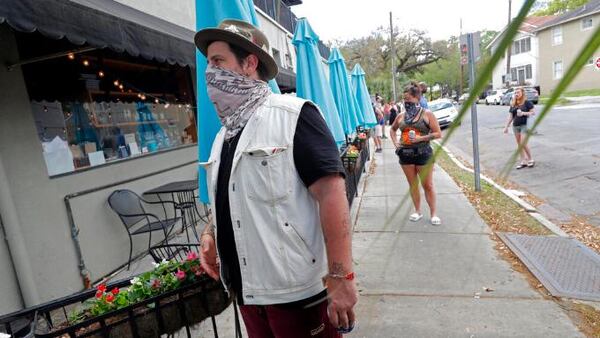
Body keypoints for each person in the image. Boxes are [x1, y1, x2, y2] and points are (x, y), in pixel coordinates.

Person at [194, 20, 357, 338]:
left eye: (218, 61)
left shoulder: (293, 116)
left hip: (295, 295)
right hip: (247, 291)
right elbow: (232, 196)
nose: (209, 73)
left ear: (249, 63)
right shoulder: (224, 135)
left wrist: (341, 276)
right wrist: (211, 233)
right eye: (208, 64)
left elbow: (332, 193)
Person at [390, 83, 442, 225]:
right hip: (405, 154)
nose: (406, 103)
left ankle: (433, 214)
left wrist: (421, 138)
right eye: (404, 101)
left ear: (417, 99)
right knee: (413, 185)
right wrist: (396, 144)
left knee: (428, 185)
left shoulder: (427, 114)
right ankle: (417, 211)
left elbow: (438, 134)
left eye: (409, 100)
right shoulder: (401, 116)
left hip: (423, 153)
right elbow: (392, 130)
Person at [503, 87, 535, 169]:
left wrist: (523, 113)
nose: (517, 94)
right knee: (519, 144)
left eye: (518, 92)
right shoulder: (513, 104)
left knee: (523, 142)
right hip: (515, 126)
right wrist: (506, 127)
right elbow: (510, 116)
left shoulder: (527, 102)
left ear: (522, 93)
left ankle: (530, 159)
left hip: (524, 125)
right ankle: (523, 161)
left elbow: (533, 113)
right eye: (516, 93)